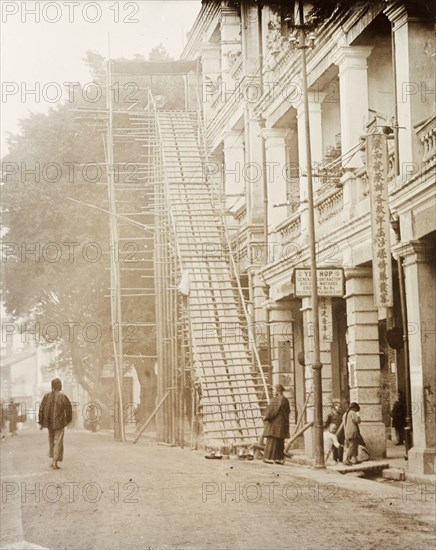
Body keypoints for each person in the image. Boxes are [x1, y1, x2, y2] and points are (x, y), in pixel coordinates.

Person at [38, 378, 72, 469]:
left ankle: (53, 460)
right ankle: (54, 462)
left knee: (52, 442)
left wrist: (41, 422)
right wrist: (68, 420)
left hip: (49, 424)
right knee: (58, 442)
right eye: (60, 384)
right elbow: (69, 409)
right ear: (59, 385)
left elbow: (41, 409)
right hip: (60, 423)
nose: (61, 385)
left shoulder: (46, 396)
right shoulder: (62, 396)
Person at [262, 384, 290, 465]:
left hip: (274, 424)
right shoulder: (286, 400)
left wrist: (266, 417)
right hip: (283, 424)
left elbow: (271, 412)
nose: (273, 392)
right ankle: (279, 459)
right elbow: (288, 412)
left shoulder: (275, 400)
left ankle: (269, 458)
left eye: (274, 390)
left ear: (278, 391)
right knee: (280, 441)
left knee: (272, 441)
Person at [343, 402, 361, 466]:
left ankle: (354, 459)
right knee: (352, 446)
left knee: (354, 445)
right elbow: (357, 421)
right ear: (354, 408)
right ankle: (347, 459)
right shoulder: (353, 413)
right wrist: (358, 416)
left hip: (347, 432)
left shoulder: (345, 414)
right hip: (353, 431)